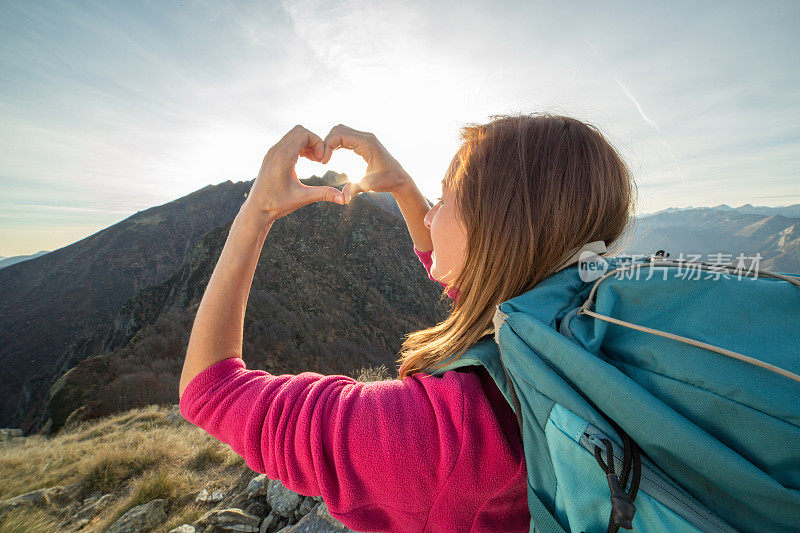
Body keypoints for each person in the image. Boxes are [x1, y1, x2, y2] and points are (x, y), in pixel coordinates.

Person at [179, 114, 636, 532]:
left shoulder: (437, 435)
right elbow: (474, 284)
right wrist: (401, 184)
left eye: (445, 198)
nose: (431, 214)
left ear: (498, 230)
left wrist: (256, 211)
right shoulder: (587, 318)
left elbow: (210, 391)